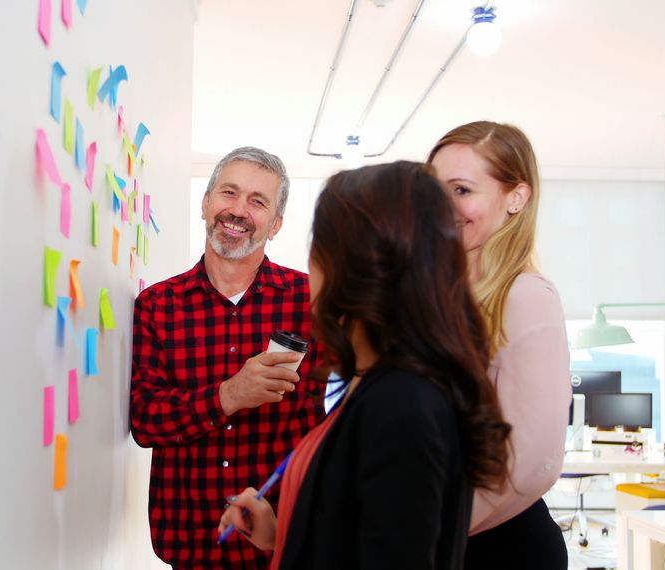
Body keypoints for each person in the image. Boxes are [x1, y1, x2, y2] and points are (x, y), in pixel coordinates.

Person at [218, 161, 511, 569]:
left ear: (353, 266)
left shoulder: (403, 405)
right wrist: (279, 536)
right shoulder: (381, 386)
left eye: (318, 250)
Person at [129, 146, 325, 569]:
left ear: (275, 225)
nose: (238, 210)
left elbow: (340, 420)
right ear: (205, 204)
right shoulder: (157, 305)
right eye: (228, 193)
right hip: (191, 541)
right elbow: (145, 420)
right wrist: (229, 395)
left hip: (287, 543)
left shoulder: (314, 302)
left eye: (258, 202)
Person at [428, 121, 572, 569]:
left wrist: (420, 528)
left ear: (516, 198)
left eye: (462, 189)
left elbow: (531, 462)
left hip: (500, 550)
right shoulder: (438, 297)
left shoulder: (526, 297)